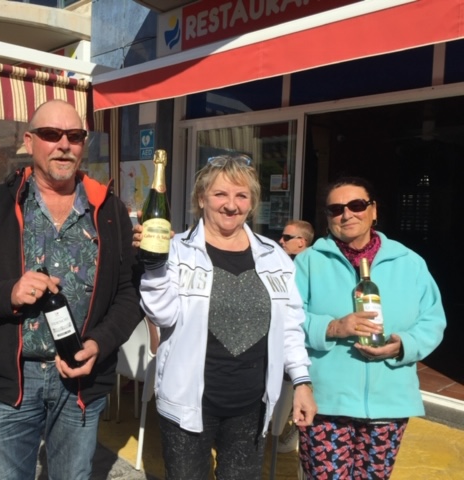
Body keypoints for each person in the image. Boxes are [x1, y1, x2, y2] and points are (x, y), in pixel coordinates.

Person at [0, 99, 142, 480]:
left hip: (81, 381)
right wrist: (9, 292)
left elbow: (130, 294)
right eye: (51, 134)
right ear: (30, 142)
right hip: (14, 380)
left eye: (75, 136)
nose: (64, 144)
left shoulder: (110, 211)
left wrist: (99, 343)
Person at [134, 154, 317, 480]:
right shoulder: (177, 250)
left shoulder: (274, 256)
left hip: (252, 405)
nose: (231, 205)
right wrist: (154, 266)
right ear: (201, 198)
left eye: (242, 195)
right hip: (188, 403)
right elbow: (162, 315)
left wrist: (301, 382)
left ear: (252, 203)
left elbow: (290, 326)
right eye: (220, 194)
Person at [294, 176, 446, 479]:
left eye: (357, 205)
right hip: (327, 402)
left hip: (390, 399)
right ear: (327, 217)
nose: (346, 214)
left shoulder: (409, 262)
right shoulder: (308, 262)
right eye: (336, 209)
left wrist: (403, 345)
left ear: (373, 210)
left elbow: (433, 319)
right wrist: (333, 327)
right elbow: (287, 319)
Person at [276, 218, 315, 454]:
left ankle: (292, 428)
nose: (281, 241)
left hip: (303, 339)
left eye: (287, 237)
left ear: (301, 242)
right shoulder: (288, 264)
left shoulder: (304, 267)